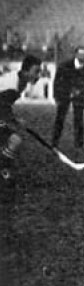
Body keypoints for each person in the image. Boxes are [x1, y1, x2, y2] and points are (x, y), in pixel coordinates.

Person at [0, 55, 42, 201]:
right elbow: (2, 107)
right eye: (36, 71)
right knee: (14, 140)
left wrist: (14, 120)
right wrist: (16, 120)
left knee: (14, 140)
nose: (38, 75)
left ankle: (4, 170)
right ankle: (4, 170)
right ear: (25, 71)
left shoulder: (21, 82)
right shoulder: (13, 85)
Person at [52, 46, 84, 148]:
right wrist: (56, 96)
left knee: (78, 120)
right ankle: (54, 142)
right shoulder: (65, 66)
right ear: (76, 54)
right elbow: (57, 81)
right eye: (80, 54)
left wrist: (82, 92)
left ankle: (78, 144)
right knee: (60, 119)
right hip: (64, 95)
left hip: (79, 97)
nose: (82, 56)